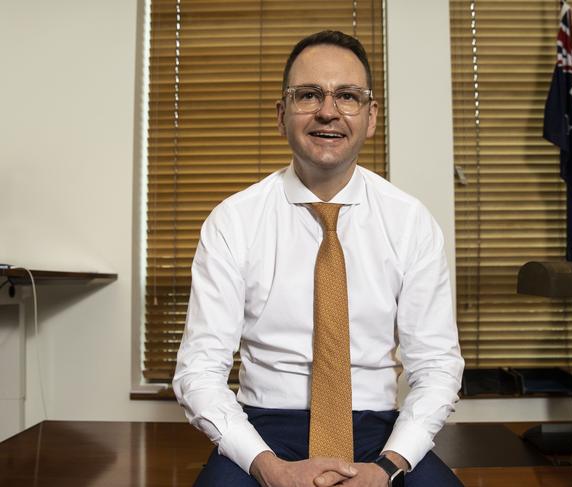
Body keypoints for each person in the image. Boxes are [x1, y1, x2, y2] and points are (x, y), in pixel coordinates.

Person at [173, 30, 465, 487]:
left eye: (347, 96)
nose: (327, 111)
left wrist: (389, 465)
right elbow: (199, 370)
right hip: (265, 427)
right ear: (281, 114)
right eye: (308, 94)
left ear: (370, 117)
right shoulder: (233, 221)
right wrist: (268, 467)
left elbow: (437, 367)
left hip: (380, 430)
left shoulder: (410, 222)